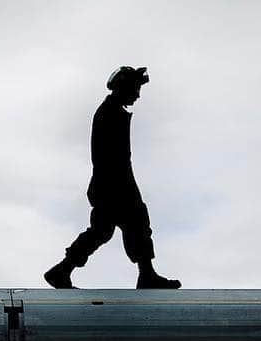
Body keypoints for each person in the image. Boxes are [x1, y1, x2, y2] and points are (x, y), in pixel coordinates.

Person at [44, 66, 181, 289]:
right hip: (114, 185)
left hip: (110, 185)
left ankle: (62, 270)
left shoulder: (111, 111)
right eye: (135, 88)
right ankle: (145, 275)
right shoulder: (111, 113)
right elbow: (114, 159)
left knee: (104, 230)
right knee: (132, 223)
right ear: (124, 87)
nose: (138, 94)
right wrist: (126, 188)